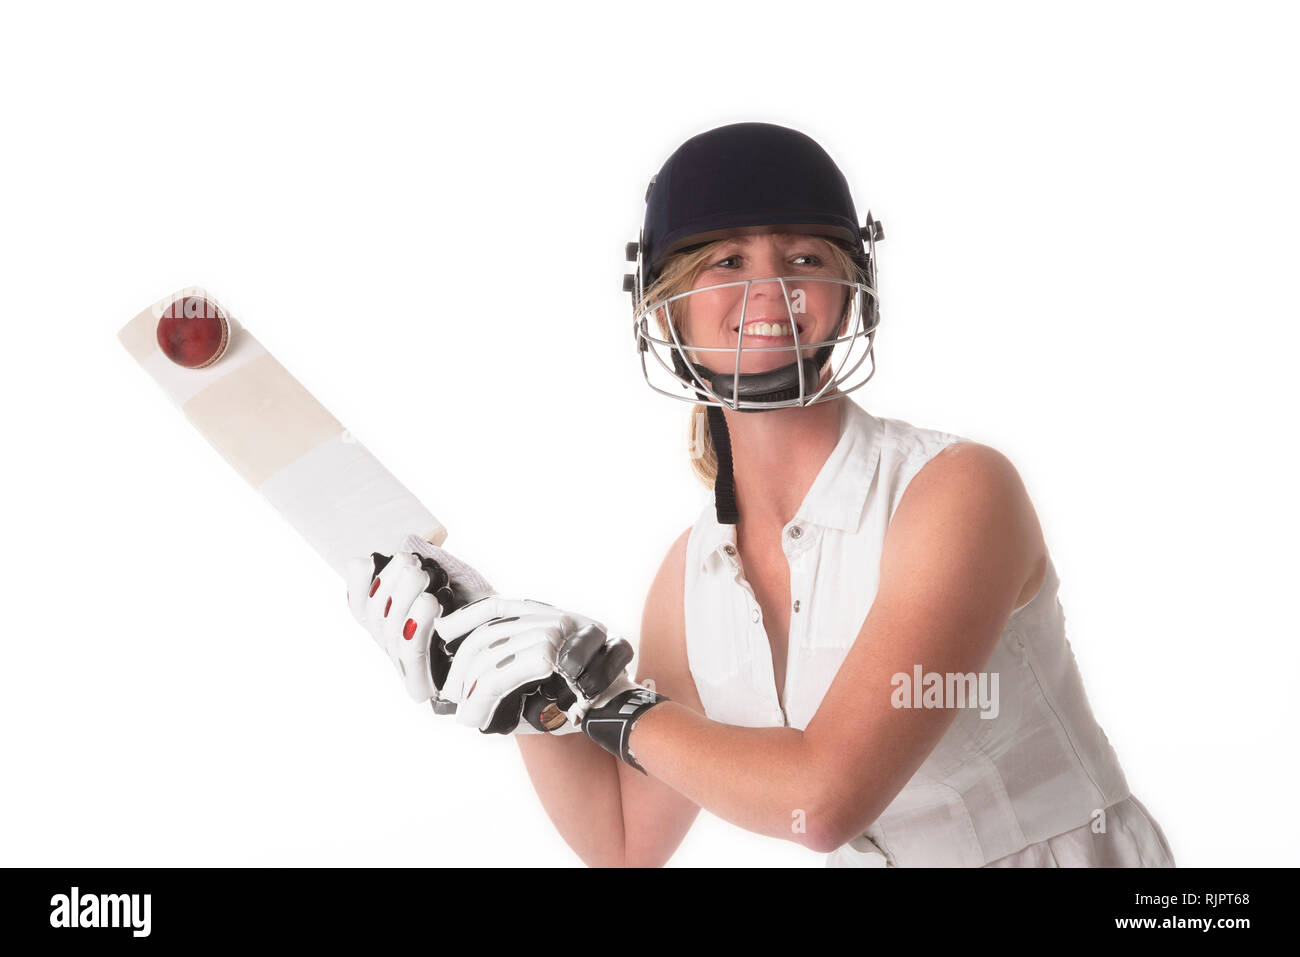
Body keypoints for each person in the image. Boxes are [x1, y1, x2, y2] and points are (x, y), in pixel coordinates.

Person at [347, 122, 1176, 868]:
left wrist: (602, 699)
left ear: (850, 288)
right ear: (661, 307)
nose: (770, 287)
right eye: (726, 261)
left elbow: (822, 799)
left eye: (806, 257)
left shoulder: (958, 491)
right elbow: (625, 838)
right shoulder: (691, 578)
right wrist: (520, 679)